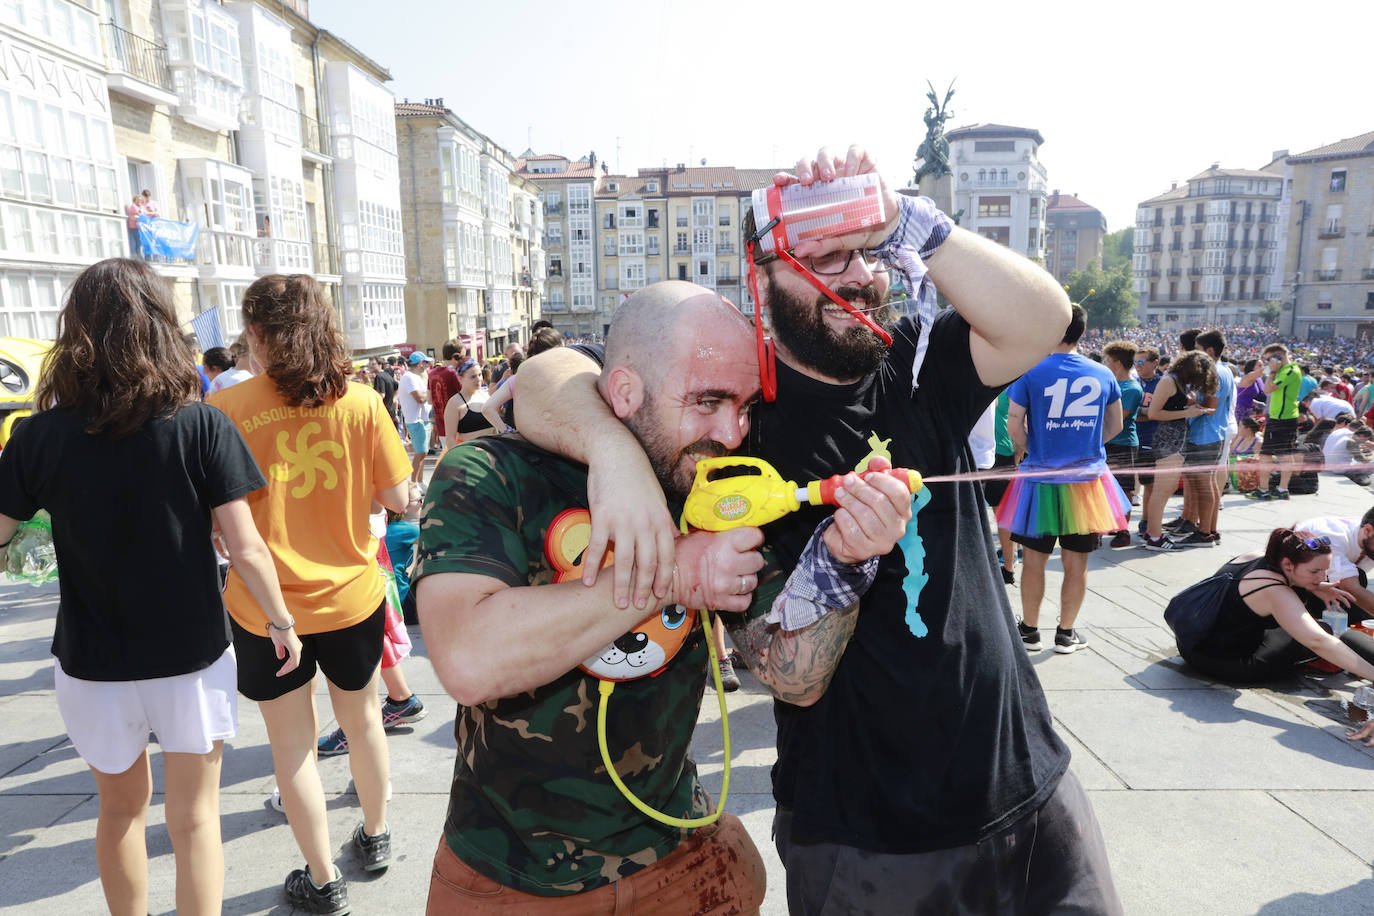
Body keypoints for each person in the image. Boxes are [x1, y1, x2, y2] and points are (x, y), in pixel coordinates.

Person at [516, 147, 1121, 914]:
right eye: (826, 256)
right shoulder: (730, 419)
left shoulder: (914, 363)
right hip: (868, 839)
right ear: (761, 279)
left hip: (1030, 784)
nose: (860, 275)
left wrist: (910, 219)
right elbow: (538, 382)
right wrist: (612, 449)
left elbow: (1045, 318)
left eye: (868, 252)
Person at [413, 283, 912, 914]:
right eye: (708, 401)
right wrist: (673, 573)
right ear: (623, 392)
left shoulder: (711, 487)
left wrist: (843, 562)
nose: (732, 431)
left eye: (747, 405)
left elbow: (794, 677)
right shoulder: (494, 473)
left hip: (680, 857)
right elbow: (466, 658)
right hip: (511, 878)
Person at [0, 258, 301, 916]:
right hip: (189, 653)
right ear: (162, 328)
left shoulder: (39, 436)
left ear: (75, 334)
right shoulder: (201, 425)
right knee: (195, 820)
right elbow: (246, 546)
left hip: (91, 657)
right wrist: (281, 622)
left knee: (119, 813)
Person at [208, 274, 412, 914]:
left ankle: (323, 879)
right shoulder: (361, 402)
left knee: (291, 746)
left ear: (259, 334)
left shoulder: (227, 411)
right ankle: (375, 837)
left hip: (264, 609)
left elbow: (218, 523)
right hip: (351, 596)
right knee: (364, 719)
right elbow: (400, 499)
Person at [1000, 307, 1126, 653]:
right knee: (1076, 561)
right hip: (1086, 482)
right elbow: (1114, 427)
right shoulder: (1103, 373)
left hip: (1040, 480)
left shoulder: (1030, 371)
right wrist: (1084, 446)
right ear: (1082, 334)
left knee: (1034, 558)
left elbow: (1014, 427)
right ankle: (1066, 633)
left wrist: (1035, 448)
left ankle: (1029, 630)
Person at [1177, 528, 1374, 685]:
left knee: (1306, 619)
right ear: (1288, 565)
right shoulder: (1274, 590)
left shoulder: (1262, 555)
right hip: (1221, 661)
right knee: (1322, 631)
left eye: (1325, 570)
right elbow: (1318, 641)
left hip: (1192, 639)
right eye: (1315, 571)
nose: (1323, 577)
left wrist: (1316, 586)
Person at [1142, 351, 1217, 551]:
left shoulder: (1177, 382)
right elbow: (1153, 413)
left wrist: (1192, 407)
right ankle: (1155, 538)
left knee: (1167, 487)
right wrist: (1187, 412)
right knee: (1162, 489)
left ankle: (1153, 532)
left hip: (1175, 439)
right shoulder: (1168, 381)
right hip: (1168, 440)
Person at [1173, 329, 1235, 548]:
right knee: (1207, 483)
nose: (1195, 355)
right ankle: (1210, 530)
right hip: (1212, 433)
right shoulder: (1224, 369)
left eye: (1198, 350)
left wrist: (1189, 404)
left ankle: (1205, 532)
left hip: (1205, 434)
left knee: (1204, 484)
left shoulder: (1214, 372)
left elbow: (1211, 407)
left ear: (1210, 350)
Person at [1295, 508, 1374, 625]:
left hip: (1329, 585)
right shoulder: (1333, 536)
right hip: (1297, 585)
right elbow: (1350, 586)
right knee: (1354, 581)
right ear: (1367, 530)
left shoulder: (1368, 538)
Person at [1247, 343, 1303, 501]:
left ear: (1278, 356)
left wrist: (1271, 371)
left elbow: (1267, 389)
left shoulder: (1289, 371)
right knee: (1281, 454)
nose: (1267, 363)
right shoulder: (1285, 370)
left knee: (1269, 455)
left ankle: (1268, 490)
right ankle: (1279, 489)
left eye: (1268, 359)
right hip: (1280, 416)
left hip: (1282, 418)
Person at [481, 326, 563, 434]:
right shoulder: (565, 378)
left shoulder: (518, 379)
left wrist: (510, 433)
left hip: (528, 442)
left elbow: (488, 408)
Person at [1101, 339, 1142, 549]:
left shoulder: (1131, 388)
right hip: (1108, 442)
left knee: (1123, 489)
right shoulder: (1115, 384)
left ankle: (1123, 531)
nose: (1105, 364)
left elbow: (1117, 418)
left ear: (1117, 363)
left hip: (1123, 443)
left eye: (1107, 360)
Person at [440, 358, 493, 447]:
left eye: (479, 375)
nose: (478, 379)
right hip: (468, 455)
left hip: (490, 452)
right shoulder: (454, 403)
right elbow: (450, 440)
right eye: (473, 377)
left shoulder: (486, 396)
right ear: (460, 378)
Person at [398, 352, 432, 487]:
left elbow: (423, 397)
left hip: (421, 419)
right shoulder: (409, 378)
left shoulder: (414, 377)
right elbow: (420, 398)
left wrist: (427, 395)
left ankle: (419, 481)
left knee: (423, 452)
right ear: (420, 363)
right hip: (415, 420)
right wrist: (429, 394)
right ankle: (413, 483)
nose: (427, 365)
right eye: (425, 363)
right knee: (421, 452)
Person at [427, 340, 463, 451]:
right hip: (458, 425)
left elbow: (429, 400)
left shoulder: (432, 373)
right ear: (455, 356)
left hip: (441, 424)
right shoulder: (454, 374)